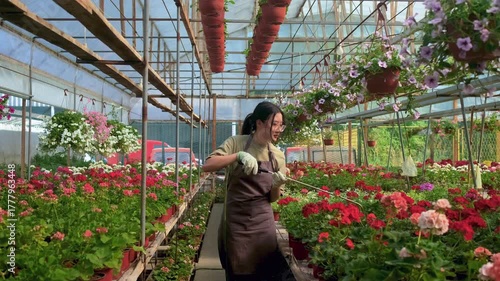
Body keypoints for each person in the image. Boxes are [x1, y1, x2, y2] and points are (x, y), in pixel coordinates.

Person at [202, 101, 288, 281]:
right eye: (275, 124)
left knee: (266, 272)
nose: (279, 129)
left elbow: (272, 199)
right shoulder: (236, 143)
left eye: (281, 125)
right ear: (259, 123)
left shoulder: (278, 155)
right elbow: (208, 165)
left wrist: (276, 184)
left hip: (263, 224)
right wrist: (237, 156)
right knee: (238, 272)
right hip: (237, 224)